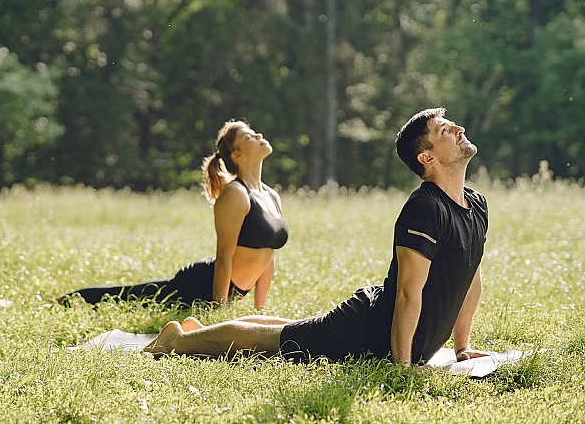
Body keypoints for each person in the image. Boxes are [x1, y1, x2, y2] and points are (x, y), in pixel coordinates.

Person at [144, 108, 492, 366]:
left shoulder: (475, 204)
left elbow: (468, 275)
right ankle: (179, 340)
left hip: (383, 326)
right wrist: (400, 367)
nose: (459, 128)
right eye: (446, 130)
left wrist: (462, 347)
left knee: (295, 329)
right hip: (370, 329)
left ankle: (200, 330)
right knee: (278, 340)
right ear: (426, 157)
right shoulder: (426, 208)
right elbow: (406, 292)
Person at [58, 120, 288, 310]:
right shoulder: (235, 193)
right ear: (237, 154)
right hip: (199, 284)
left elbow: (269, 256)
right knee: (132, 298)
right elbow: (224, 256)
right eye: (249, 137)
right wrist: (219, 310)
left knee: (139, 296)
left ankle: (73, 300)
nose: (259, 135)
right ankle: (72, 300)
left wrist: (260, 310)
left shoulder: (271, 195)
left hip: (234, 289)